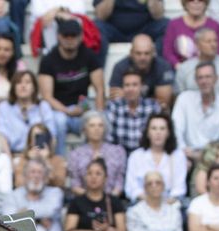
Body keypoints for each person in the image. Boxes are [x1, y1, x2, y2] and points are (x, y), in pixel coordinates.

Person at [35, 17, 102, 149]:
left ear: (81, 36)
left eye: (74, 35)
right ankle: (59, 160)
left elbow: (99, 89)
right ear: (59, 36)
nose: (70, 39)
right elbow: (47, 96)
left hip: (82, 106)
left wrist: (99, 114)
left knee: (96, 123)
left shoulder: (89, 56)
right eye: (66, 35)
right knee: (59, 122)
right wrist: (66, 111)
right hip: (58, 109)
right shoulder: (48, 60)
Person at [172, 61, 219, 165]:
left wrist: (203, 156)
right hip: (187, 157)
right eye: (200, 78)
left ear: (216, 79)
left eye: (208, 77)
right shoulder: (184, 99)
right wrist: (183, 152)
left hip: (215, 159)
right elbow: (176, 131)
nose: (204, 81)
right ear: (196, 81)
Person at [124, 112, 186, 205]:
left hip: (170, 204)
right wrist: (150, 202)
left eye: (162, 129)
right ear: (148, 132)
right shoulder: (136, 156)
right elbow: (131, 188)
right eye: (154, 128)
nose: (158, 132)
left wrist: (164, 203)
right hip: (142, 204)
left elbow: (179, 188)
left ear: (168, 132)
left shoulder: (178, 156)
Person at [174, 27, 219, 105]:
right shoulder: (184, 68)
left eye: (215, 41)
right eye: (208, 41)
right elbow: (179, 98)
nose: (213, 45)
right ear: (197, 44)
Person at [66, 110, 125, 197]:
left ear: (105, 129)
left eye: (100, 125)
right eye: (92, 125)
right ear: (85, 130)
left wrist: (109, 200)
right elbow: (75, 184)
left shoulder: (117, 152)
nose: (96, 129)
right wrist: (93, 199)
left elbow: (119, 183)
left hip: (111, 200)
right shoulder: (76, 154)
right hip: (84, 201)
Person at [109, 33, 175, 110]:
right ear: (131, 53)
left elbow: (163, 102)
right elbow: (116, 98)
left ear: (153, 53)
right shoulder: (120, 67)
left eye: (147, 53)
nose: (142, 57)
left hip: (154, 114)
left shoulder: (163, 67)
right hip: (126, 113)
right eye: (138, 53)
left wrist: (129, 95)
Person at [105, 69, 161, 154]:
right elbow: (108, 138)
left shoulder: (152, 106)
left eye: (135, 85)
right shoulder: (113, 106)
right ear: (122, 87)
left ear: (142, 87)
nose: (130, 89)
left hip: (146, 154)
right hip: (119, 155)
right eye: (127, 85)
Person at [163, 0, 219, 66]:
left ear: (206, 3)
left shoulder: (214, 25)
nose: (196, 3)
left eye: (200, 0)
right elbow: (167, 52)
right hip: (179, 70)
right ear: (185, 3)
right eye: (191, 0)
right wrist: (178, 66)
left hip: (207, 70)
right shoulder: (173, 24)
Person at [94, 0, 168, 47]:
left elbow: (159, 16)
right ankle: (97, 70)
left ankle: (160, 68)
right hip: (114, 32)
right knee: (96, 26)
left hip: (144, 31)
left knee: (167, 25)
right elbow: (101, 16)